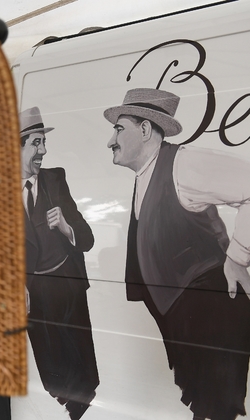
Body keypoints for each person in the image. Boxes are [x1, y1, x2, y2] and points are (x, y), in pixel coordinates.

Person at [104, 87, 250, 420]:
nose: (110, 141)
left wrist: (239, 255)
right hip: (188, 320)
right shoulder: (148, 173)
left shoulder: (184, 163)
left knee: (215, 411)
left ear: (144, 130)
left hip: (213, 317)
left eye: (118, 128)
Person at [20, 106, 99, 420]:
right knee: (50, 360)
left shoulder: (55, 180)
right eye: (36, 142)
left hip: (66, 284)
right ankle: (66, 404)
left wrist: (67, 227)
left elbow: (88, 238)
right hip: (33, 292)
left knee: (79, 359)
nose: (43, 150)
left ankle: (83, 407)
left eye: (43, 141)